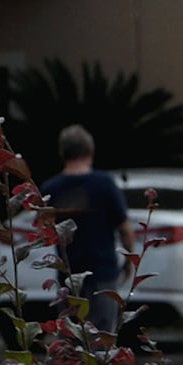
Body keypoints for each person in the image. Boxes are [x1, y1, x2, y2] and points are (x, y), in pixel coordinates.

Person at [37, 122, 136, 341]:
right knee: (101, 344)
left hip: (68, 276)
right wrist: (129, 263)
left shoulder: (51, 189)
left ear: (62, 153)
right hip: (102, 275)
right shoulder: (105, 185)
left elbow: (43, 231)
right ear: (90, 151)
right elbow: (126, 230)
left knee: (68, 345)